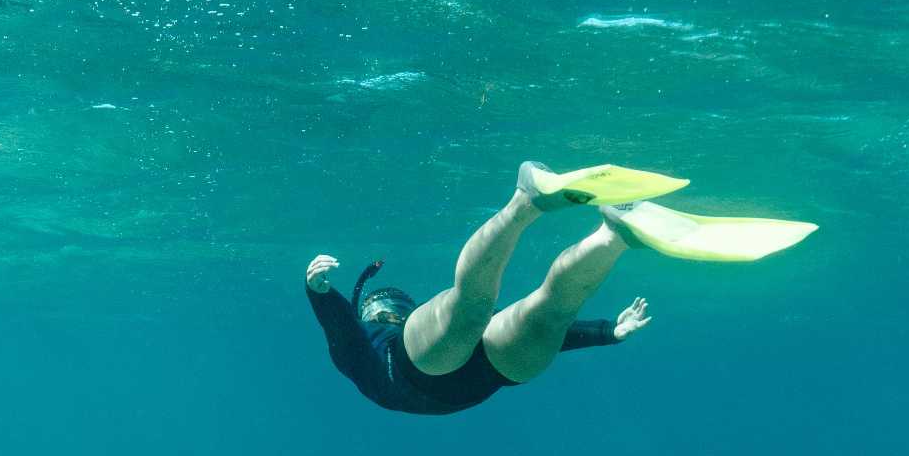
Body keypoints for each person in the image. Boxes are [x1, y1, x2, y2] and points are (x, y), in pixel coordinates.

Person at [304, 160, 812, 417]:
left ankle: (611, 235)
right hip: (453, 373)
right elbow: (343, 335)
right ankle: (561, 213)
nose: (386, 313)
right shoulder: (370, 343)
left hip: (469, 381)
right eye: (383, 309)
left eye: (387, 308)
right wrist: (606, 332)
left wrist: (325, 295)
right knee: (495, 308)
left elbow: (344, 337)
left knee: (507, 310)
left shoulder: (366, 349)